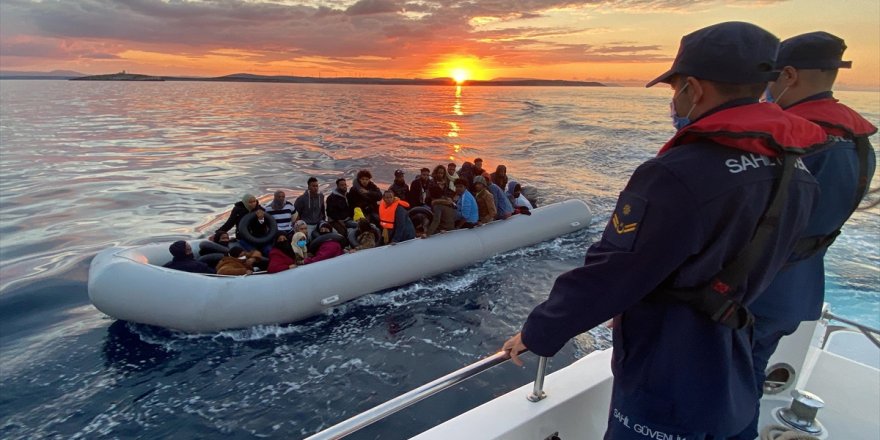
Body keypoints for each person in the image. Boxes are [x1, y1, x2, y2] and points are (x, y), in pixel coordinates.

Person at [500, 22, 824, 439]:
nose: (676, 100)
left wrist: (539, 331)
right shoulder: (796, 171)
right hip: (735, 352)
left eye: (675, 90)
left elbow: (612, 271)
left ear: (693, 87)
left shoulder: (675, 176)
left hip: (670, 366)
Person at [732, 31, 878, 440]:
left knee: (721, 387)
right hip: (798, 288)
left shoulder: (790, 137)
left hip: (750, 289)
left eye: (769, 79)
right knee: (749, 378)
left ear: (789, 75)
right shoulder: (859, 141)